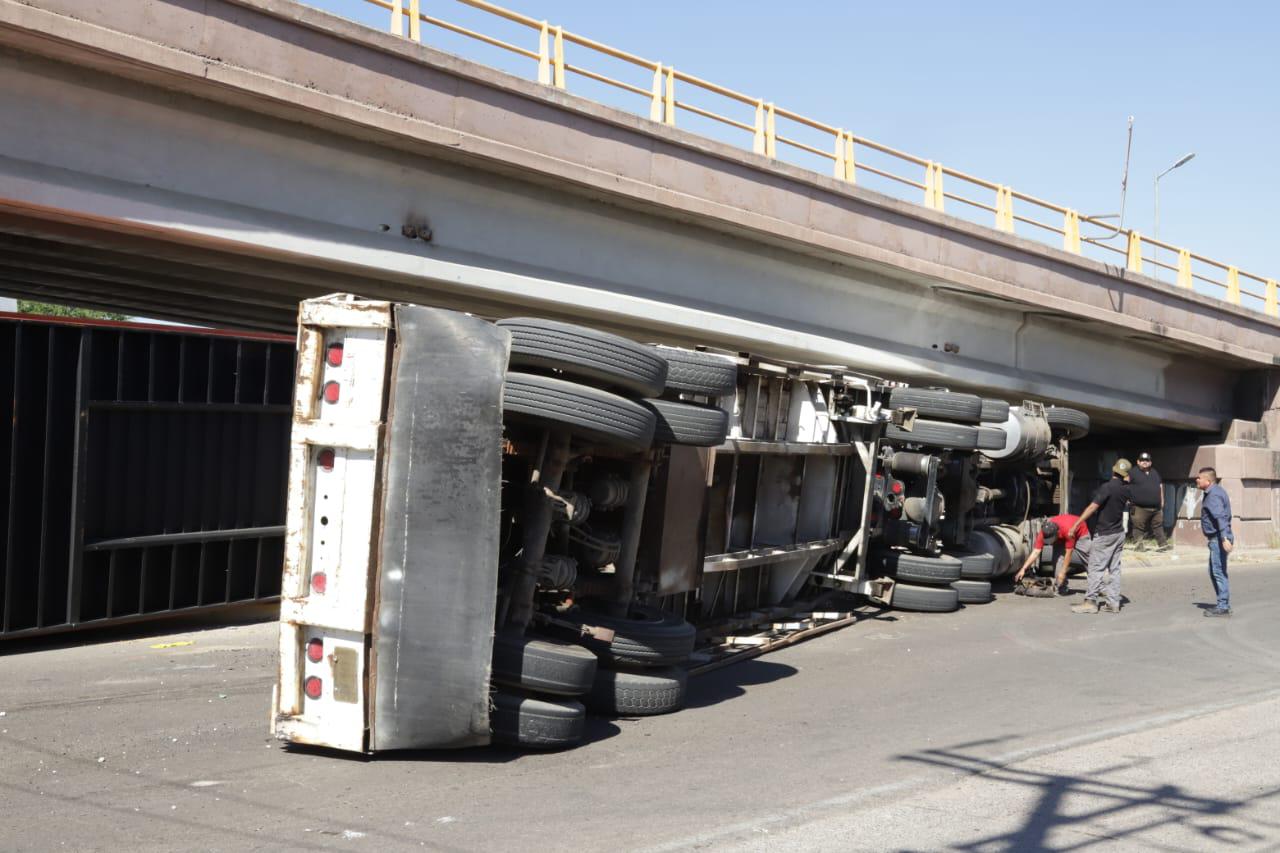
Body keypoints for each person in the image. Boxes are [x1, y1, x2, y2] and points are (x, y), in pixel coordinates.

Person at [1068, 459, 1132, 614]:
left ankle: (1090, 602)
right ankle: (1113, 603)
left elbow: (1093, 507)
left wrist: (1077, 523)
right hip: (1118, 533)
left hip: (1104, 534)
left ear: (1113, 469)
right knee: (1114, 569)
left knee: (1096, 568)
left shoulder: (1107, 487)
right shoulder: (1125, 489)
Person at [1014, 514, 1092, 594]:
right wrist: (1023, 569)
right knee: (1057, 566)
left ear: (1057, 533)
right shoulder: (1043, 533)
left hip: (1079, 531)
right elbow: (1036, 552)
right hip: (1060, 537)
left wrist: (1063, 572)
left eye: (1052, 540)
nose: (1050, 543)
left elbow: (1068, 554)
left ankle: (1097, 588)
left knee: (1090, 562)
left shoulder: (1067, 531)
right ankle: (1062, 588)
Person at [1197, 467, 1234, 617]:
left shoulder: (1213, 495)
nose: (1197, 480)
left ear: (1208, 480)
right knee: (1214, 572)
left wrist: (1224, 538)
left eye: (1199, 478)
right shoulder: (1216, 491)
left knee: (1218, 572)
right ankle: (1223, 603)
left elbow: (1220, 517)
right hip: (1217, 538)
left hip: (1219, 538)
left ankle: (1223, 606)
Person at [1128, 451, 1171, 551]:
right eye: (1142, 460)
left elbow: (1160, 486)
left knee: (1158, 526)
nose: (1144, 462)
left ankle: (1163, 545)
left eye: (1147, 460)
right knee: (1138, 527)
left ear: (1150, 462)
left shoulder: (1154, 472)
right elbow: (1125, 485)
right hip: (1139, 507)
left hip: (1156, 507)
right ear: (1138, 462)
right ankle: (1138, 546)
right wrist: (1126, 498)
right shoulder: (1132, 472)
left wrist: (1162, 501)